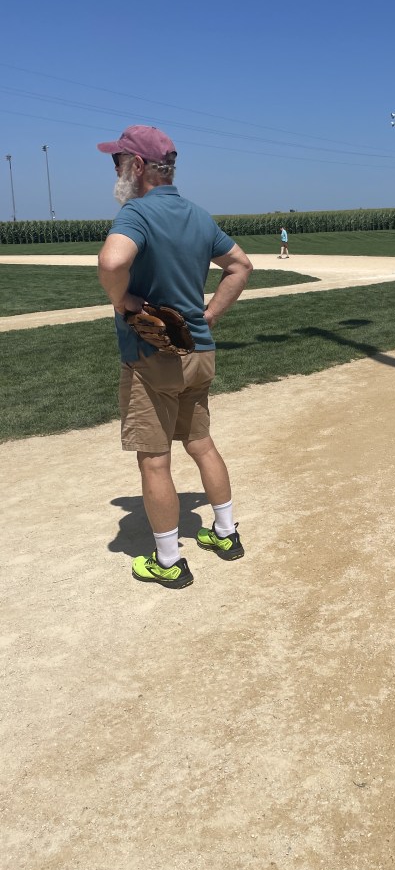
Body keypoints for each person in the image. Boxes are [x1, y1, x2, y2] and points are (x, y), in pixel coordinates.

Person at [96, 125, 253, 588]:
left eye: (118, 161)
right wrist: (209, 314)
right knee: (201, 443)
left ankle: (168, 561)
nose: (116, 170)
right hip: (199, 351)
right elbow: (240, 266)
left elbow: (111, 262)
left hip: (152, 358)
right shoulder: (198, 215)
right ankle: (225, 533)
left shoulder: (137, 213)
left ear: (137, 166)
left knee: (154, 459)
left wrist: (122, 301)